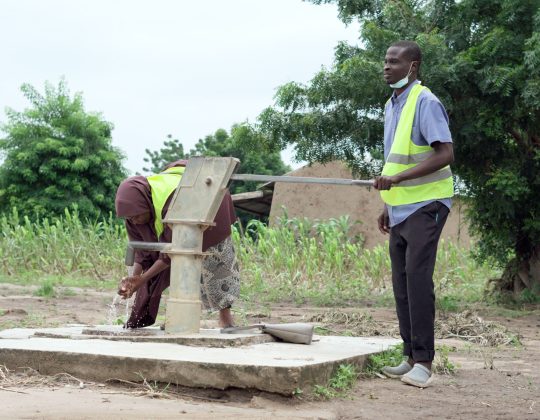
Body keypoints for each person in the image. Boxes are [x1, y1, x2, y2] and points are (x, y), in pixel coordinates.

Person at [373, 41, 454, 388]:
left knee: (418, 280)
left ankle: (424, 362)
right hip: (401, 207)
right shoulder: (393, 105)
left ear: (414, 66)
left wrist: (398, 181)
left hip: (428, 204)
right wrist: (388, 204)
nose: (387, 66)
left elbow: (445, 153)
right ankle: (409, 356)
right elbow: (397, 160)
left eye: (395, 61)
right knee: (402, 283)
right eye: (386, 61)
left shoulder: (425, 102)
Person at [114, 159, 240, 329]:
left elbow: (171, 251)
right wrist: (134, 277)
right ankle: (179, 316)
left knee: (216, 263)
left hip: (209, 201)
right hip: (181, 208)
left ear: (146, 203)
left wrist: (142, 279)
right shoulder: (136, 211)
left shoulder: (167, 204)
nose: (134, 221)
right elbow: (142, 249)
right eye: (129, 218)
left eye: (136, 216)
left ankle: (225, 317)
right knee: (174, 266)